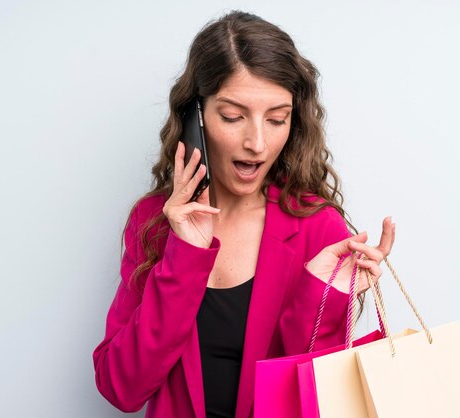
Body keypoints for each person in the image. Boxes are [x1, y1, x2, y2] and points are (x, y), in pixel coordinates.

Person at [93, 10, 395, 418]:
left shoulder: (317, 225)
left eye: (276, 119)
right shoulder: (154, 221)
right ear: (195, 118)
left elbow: (317, 399)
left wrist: (319, 295)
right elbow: (121, 388)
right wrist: (184, 256)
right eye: (233, 117)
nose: (256, 142)